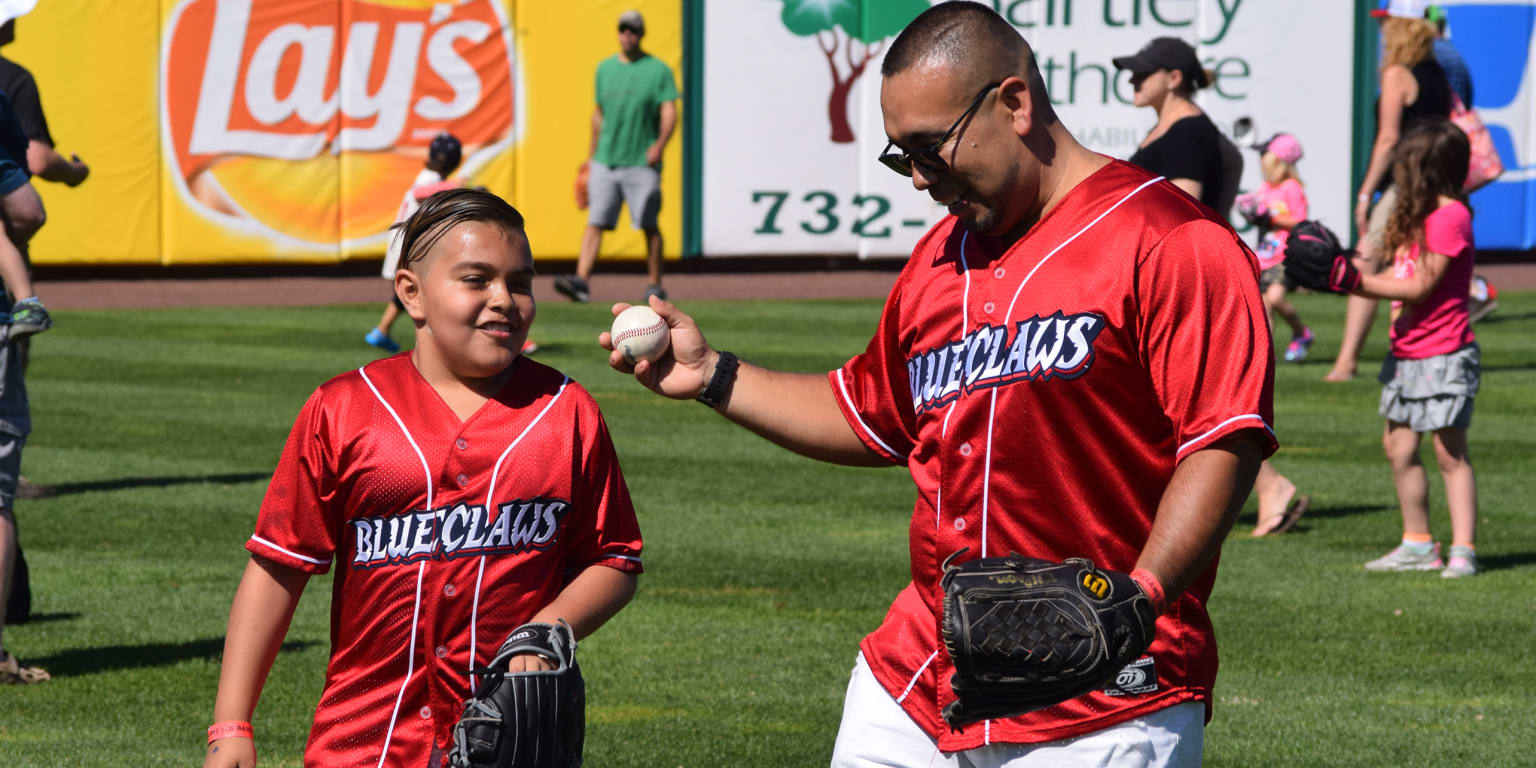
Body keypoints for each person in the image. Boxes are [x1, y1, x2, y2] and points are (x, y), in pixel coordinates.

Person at [603, 5, 1273, 764]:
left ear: (1014, 104)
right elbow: (869, 413)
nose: (919, 177)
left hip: (1104, 693)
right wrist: (714, 375)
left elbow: (1224, 438)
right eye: (902, 156)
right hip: (919, 677)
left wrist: (1141, 596)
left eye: (931, 148)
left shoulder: (1173, 242)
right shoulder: (936, 262)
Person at [204, 189, 643, 767]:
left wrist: (549, 627)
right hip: (361, 741)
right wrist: (231, 724)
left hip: (509, 738)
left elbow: (615, 558)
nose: (503, 300)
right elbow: (278, 565)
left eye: (520, 282)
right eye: (476, 279)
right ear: (411, 292)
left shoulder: (565, 411)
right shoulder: (343, 409)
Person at [1337, 119, 1480, 578]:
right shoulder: (1417, 216)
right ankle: (1418, 542)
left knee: (1449, 453)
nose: (1399, 173)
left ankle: (1463, 549)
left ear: (1430, 169)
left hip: (1445, 352)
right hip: (1408, 353)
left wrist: (1353, 280)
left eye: (1408, 165)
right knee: (1399, 448)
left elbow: (1420, 285)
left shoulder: (1450, 215)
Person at [1328, 0, 1451, 382]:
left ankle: (1346, 362)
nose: (1382, 31)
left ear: (1402, 27)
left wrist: (1365, 192)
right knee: (1413, 268)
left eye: (1387, 24)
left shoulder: (1398, 73)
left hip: (1404, 185)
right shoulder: (1438, 73)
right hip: (1437, 184)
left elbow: (1388, 139)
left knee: (1366, 262)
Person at [554, 9, 678, 305]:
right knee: (596, 220)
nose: (628, 34)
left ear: (641, 33)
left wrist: (660, 144)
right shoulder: (605, 69)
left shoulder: (657, 70)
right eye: (624, 29)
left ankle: (655, 284)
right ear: (619, 32)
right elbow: (598, 114)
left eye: (633, 30)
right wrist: (590, 157)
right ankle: (581, 280)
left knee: (648, 224)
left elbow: (669, 110)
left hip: (641, 161)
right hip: (606, 160)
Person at [1113, 37, 1224, 212]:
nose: (1132, 80)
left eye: (1142, 73)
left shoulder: (1187, 132)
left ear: (1174, 78)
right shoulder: (1172, 128)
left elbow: (1183, 213)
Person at [1235, 133, 1315, 364]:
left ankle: (1302, 332)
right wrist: (1251, 212)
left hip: (1285, 255)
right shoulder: (1266, 187)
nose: (1262, 161)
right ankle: (1265, 355)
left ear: (1278, 161)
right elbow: (1260, 215)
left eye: (1265, 156)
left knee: (1276, 297)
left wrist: (1270, 217)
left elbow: (1300, 221)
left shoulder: (1291, 187)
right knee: (1263, 306)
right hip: (1264, 256)